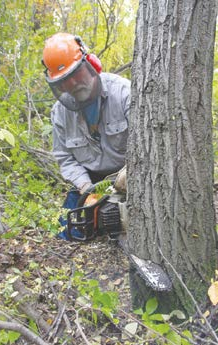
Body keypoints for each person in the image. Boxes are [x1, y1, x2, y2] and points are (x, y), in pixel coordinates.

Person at [42, 33, 130, 240]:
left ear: (91, 64)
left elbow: (148, 146)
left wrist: (129, 174)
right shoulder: (60, 114)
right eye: (64, 80)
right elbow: (65, 158)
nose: (73, 83)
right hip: (92, 180)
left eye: (77, 74)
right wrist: (85, 187)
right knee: (66, 233)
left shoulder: (124, 94)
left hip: (127, 177)